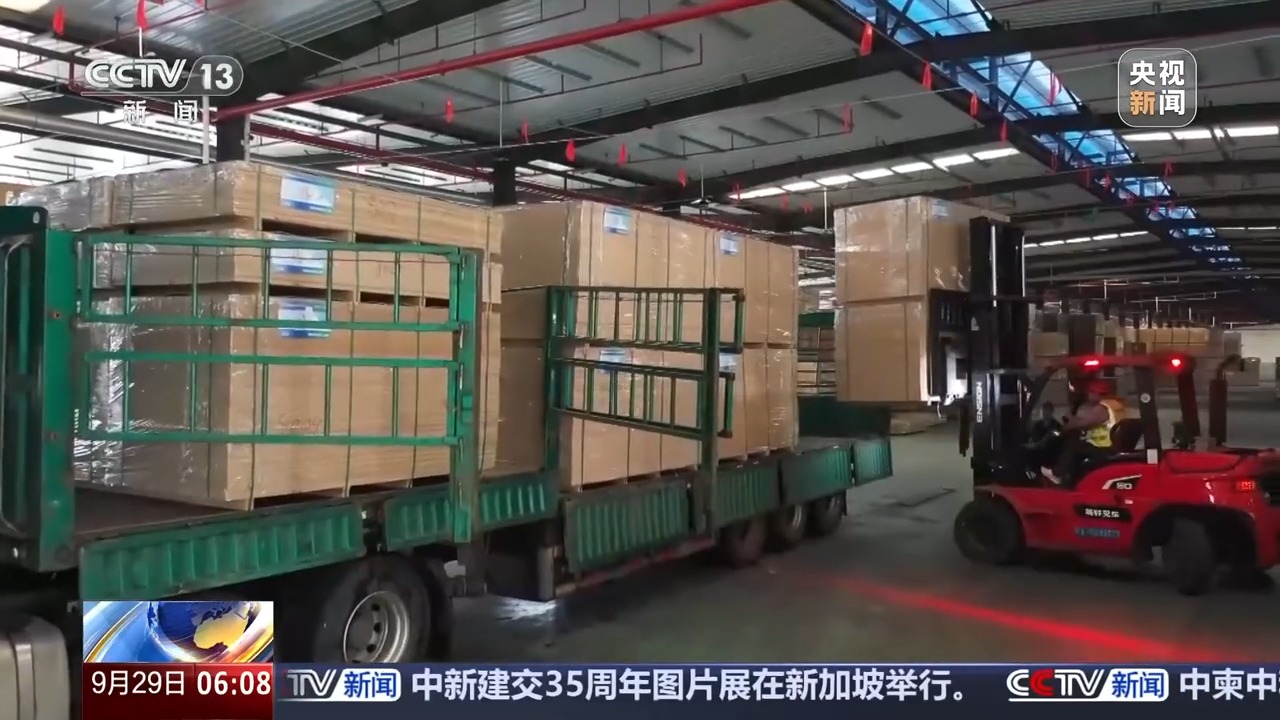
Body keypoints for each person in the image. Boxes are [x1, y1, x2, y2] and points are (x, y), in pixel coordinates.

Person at [1041, 379, 1122, 486]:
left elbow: (1081, 423)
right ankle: (1071, 478)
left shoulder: (1102, 409)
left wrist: (1070, 417)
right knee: (1076, 443)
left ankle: (1057, 474)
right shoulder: (1113, 405)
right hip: (1108, 445)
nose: (1089, 394)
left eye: (1091, 392)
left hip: (1103, 447)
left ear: (1097, 393)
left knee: (1074, 443)